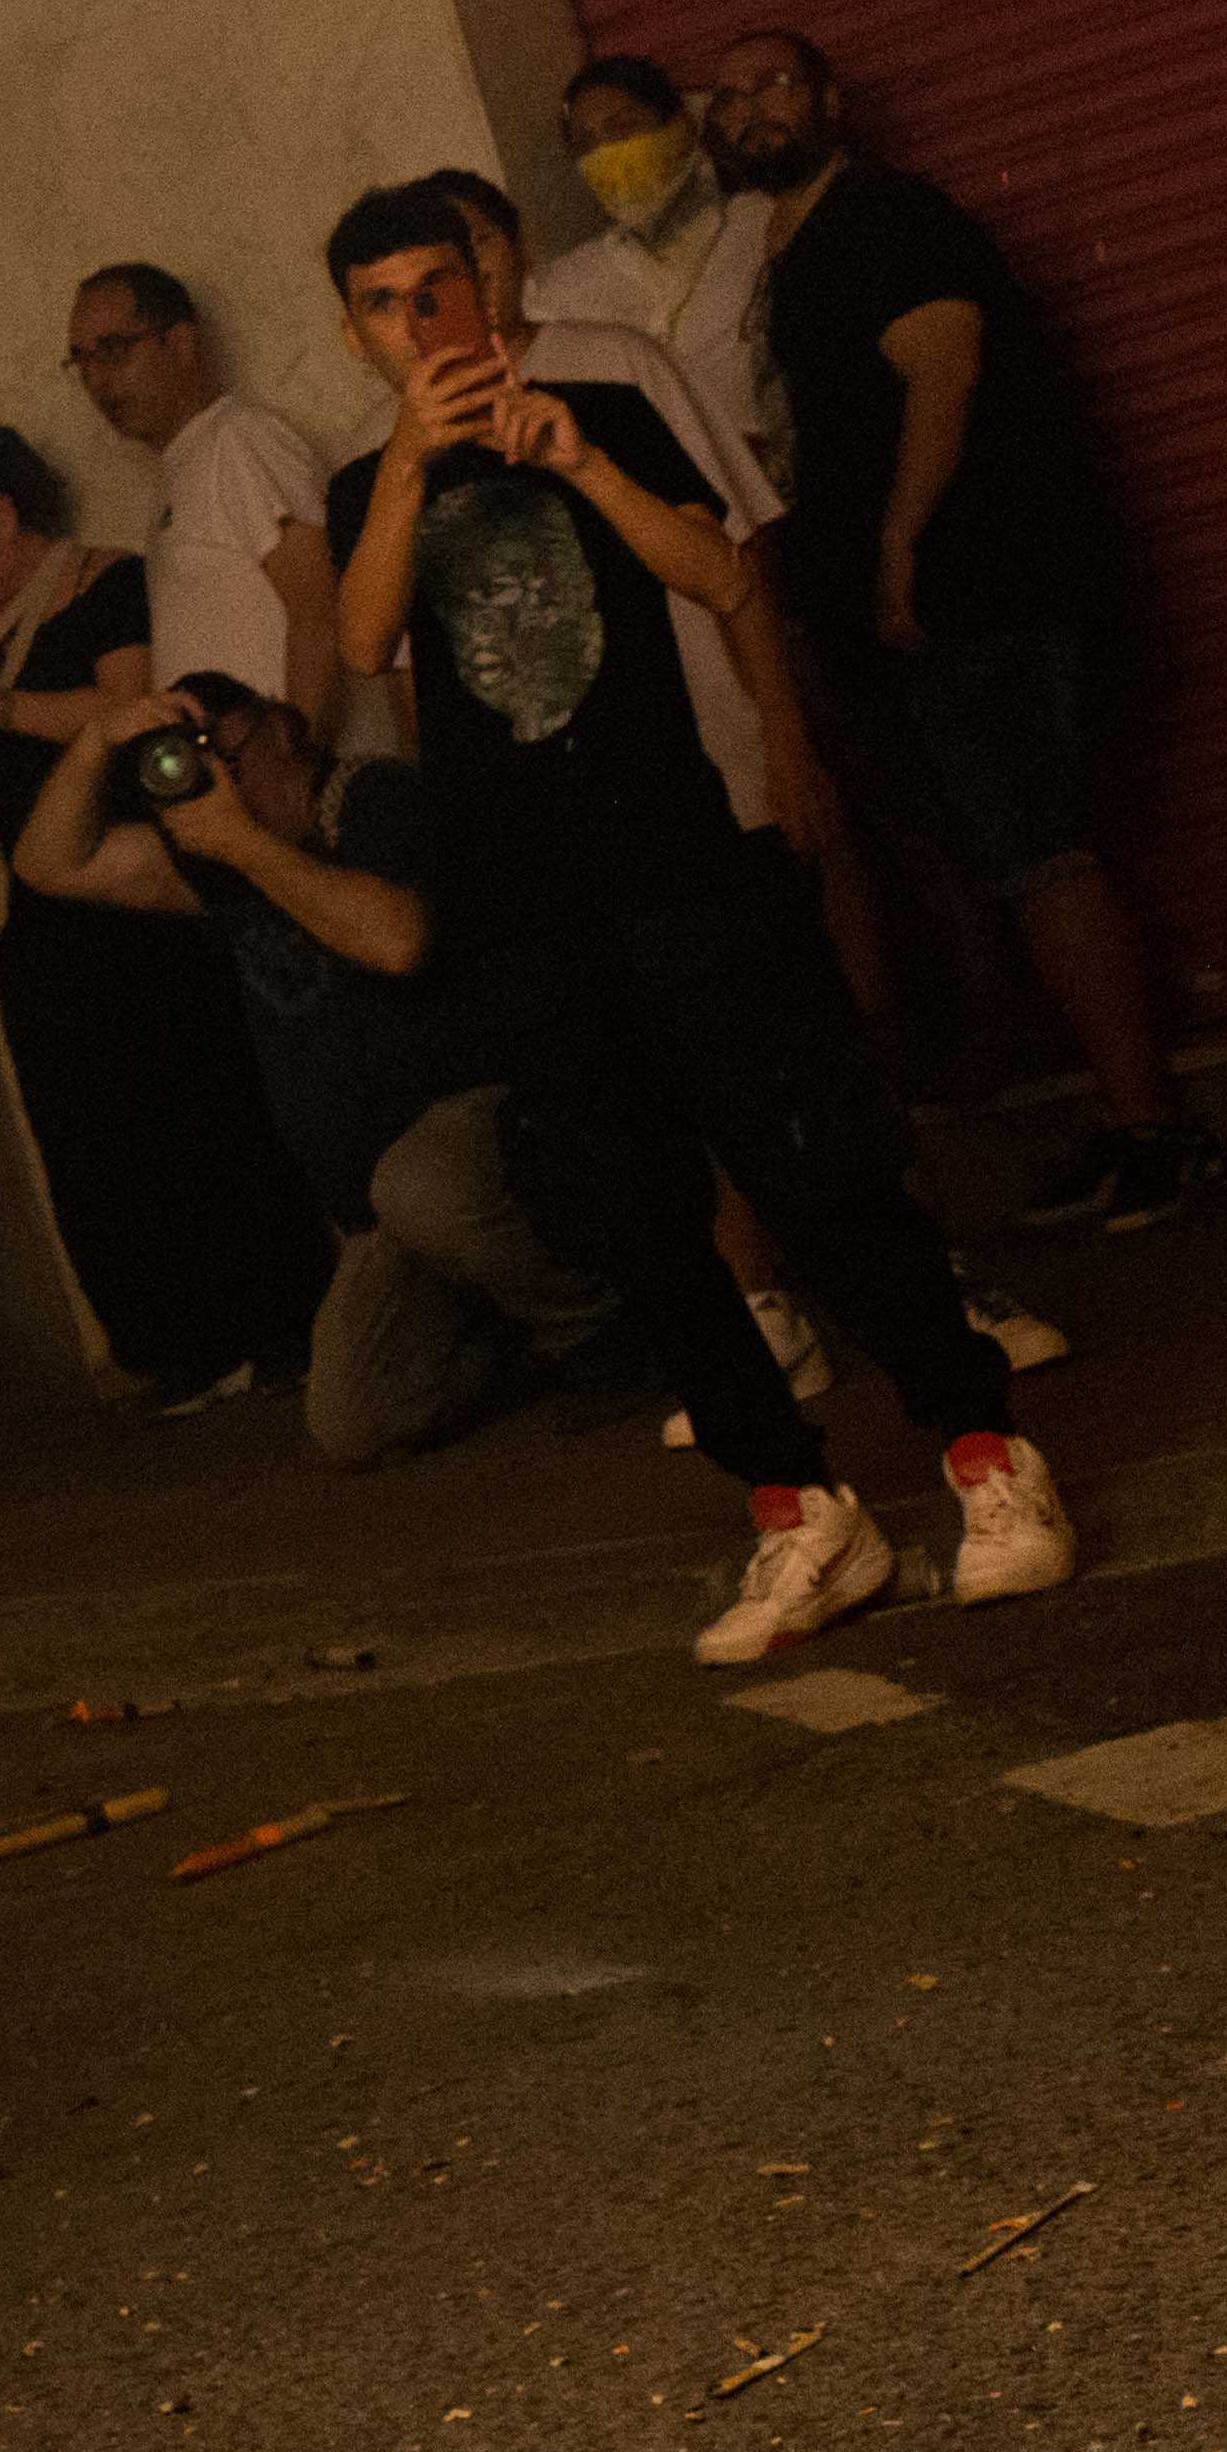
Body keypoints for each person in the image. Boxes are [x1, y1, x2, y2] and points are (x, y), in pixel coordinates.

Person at [315, 180, 1072, 1657]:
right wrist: (413, 461)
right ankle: (797, 1513)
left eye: (437, 287)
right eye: (383, 304)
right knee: (637, 1219)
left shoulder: (603, 395)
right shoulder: (367, 484)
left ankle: (988, 1460)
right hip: (524, 912)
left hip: (672, 858)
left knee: (815, 1164)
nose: (420, 322)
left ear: (481, 285)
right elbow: (357, 642)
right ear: (356, 333)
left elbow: (725, 575)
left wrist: (583, 463)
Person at [703, 31, 1216, 1231]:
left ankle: (1158, 1131)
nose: (746, 109)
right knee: (1010, 856)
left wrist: (901, 544)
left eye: (771, 82)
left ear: (831, 101)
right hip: (916, 615)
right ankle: (1126, 1121)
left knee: (1043, 855)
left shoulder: (883, 215)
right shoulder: (784, 250)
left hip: (974, 592)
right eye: (725, 96)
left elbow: (946, 366)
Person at [13, 680, 618, 1467]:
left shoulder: (374, 797)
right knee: (353, 1422)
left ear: (284, 729)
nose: (214, 775)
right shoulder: (215, 856)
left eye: (225, 750)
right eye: (189, 759)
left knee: (422, 1185)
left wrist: (242, 844)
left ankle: (603, 1327)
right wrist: (98, 738)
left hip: (498, 1130)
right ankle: (509, 1328)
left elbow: (396, 941)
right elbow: (48, 865)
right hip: (384, 1208)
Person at [0, 426, 328, 1411]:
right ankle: (168, 1337)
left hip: (122, 867)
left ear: (3, 515)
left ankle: (280, 1317)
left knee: (193, 1083)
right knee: (88, 1117)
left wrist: (3, 710)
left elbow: (127, 703)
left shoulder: (101, 581)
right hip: (29, 896)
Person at [66, 261, 338, 719]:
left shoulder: (241, 440)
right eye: (82, 360)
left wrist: (299, 762)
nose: (97, 380)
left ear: (182, 342)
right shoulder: (181, 469)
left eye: (113, 349)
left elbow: (320, 609)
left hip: (280, 771)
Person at [534, 55, 789, 485]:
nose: (606, 152)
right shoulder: (562, 289)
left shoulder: (767, 228)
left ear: (683, 124)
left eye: (622, 127)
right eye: (586, 143)